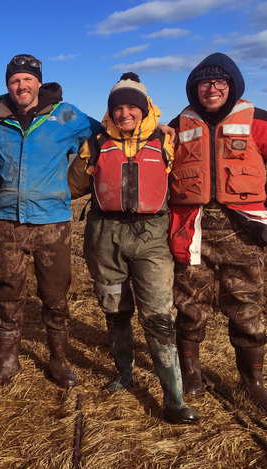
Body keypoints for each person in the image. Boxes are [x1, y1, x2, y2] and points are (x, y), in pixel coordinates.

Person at [169, 52, 267, 416]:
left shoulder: (258, 122)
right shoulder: (179, 125)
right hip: (191, 229)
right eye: (204, 83)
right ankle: (191, 376)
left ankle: (253, 384)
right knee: (189, 305)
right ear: (195, 89)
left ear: (232, 86)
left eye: (219, 82)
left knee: (246, 308)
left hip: (242, 231)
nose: (211, 88)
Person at [68, 73, 199, 424]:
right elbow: (75, 186)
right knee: (115, 308)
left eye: (131, 107)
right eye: (118, 108)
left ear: (144, 110)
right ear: (110, 111)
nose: (125, 113)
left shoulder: (166, 141)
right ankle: (124, 374)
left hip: (152, 235)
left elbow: (190, 179)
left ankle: (173, 398)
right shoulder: (95, 144)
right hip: (104, 235)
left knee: (157, 315)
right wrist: (81, 158)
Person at [0, 54, 102, 388]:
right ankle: (7, 362)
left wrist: (160, 130)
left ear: (38, 82)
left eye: (27, 79)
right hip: (8, 221)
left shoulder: (66, 115)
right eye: (14, 81)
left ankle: (59, 361)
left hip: (53, 221)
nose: (21, 86)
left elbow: (108, 134)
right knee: (8, 292)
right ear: (8, 85)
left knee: (55, 295)